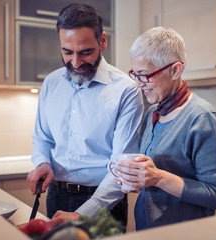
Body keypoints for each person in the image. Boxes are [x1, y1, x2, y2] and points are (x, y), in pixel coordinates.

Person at [27, 3, 144, 227]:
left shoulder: (126, 90)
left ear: (103, 42)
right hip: (56, 196)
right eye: (67, 51)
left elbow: (122, 166)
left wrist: (84, 213)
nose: (75, 62)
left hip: (103, 204)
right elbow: (42, 137)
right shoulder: (51, 83)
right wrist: (43, 163)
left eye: (85, 52)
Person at [113, 26, 216, 230]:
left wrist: (157, 177)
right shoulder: (154, 112)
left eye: (145, 74)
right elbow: (153, 177)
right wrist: (137, 178)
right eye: (135, 73)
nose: (138, 83)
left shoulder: (203, 118)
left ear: (175, 70)